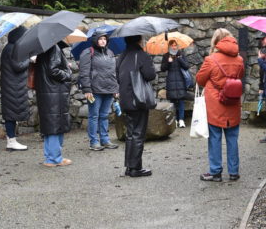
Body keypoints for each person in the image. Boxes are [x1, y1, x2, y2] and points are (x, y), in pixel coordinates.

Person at [196, 28, 244, 182]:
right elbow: (239, 76)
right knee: (232, 138)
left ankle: (215, 172)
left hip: (215, 105)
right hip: (233, 103)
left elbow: (200, 80)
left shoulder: (211, 60)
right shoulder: (239, 60)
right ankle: (234, 172)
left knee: (215, 138)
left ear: (216, 41)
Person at [116, 35, 156, 177]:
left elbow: (117, 76)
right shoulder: (141, 55)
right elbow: (150, 75)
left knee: (131, 134)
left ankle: (129, 167)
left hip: (126, 100)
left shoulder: (122, 56)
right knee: (138, 133)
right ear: (139, 41)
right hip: (138, 99)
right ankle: (135, 169)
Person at [78, 30, 120, 151]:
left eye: (105, 39)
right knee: (94, 116)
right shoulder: (88, 52)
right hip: (94, 90)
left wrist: (116, 87)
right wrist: (87, 89)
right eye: (100, 39)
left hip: (109, 89)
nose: (103, 41)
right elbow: (84, 72)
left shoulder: (110, 52)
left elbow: (114, 72)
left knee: (104, 116)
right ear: (95, 40)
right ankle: (94, 142)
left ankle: (105, 140)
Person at [35, 40, 73, 167]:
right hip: (54, 92)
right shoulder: (54, 47)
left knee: (50, 125)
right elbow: (54, 70)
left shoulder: (43, 49)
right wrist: (68, 72)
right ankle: (55, 158)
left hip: (47, 92)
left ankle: (49, 157)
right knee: (55, 125)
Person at [0, 26, 29, 151]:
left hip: (11, 85)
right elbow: (18, 66)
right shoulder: (12, 48)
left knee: (11, 113)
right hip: (13, 86)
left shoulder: (9, 48)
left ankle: (11, 140)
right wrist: (29, 59)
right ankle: (11, 141)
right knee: (11, 114)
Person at [161, 39, 190, 128]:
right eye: (172, 45)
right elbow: (163, 68)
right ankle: (174, 120)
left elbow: (186, 66)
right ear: (169, 47)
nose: (174, 47)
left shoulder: (181, 54)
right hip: (171, 81)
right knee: (173, 101)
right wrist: (168, 62)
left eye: (175, 45)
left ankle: (181, 120)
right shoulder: (166, 56)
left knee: (181, 100)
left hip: (180, 80)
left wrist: (179, 59)